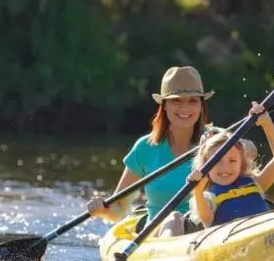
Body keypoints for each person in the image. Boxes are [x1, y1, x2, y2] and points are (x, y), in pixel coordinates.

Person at [86, 65, 215, 237]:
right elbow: (118, 209)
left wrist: (262, 124)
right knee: (175, 218)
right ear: (165, 106)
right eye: (176, 100)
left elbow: (249, 153)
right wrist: (102, 209)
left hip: (206, 231)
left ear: (201, 106)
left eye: (193, 101)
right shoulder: (145, 148)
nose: (185, 108)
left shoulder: (217, 141)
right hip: (158, 231)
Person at [187, 102, 274, 228]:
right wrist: (197, 192)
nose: (225, 167)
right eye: (216, 160)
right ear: (205, 166)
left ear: (241, 164)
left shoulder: (255, 183)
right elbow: (206, 218)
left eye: (233, 161)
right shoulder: (207, 197)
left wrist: (267, 124)